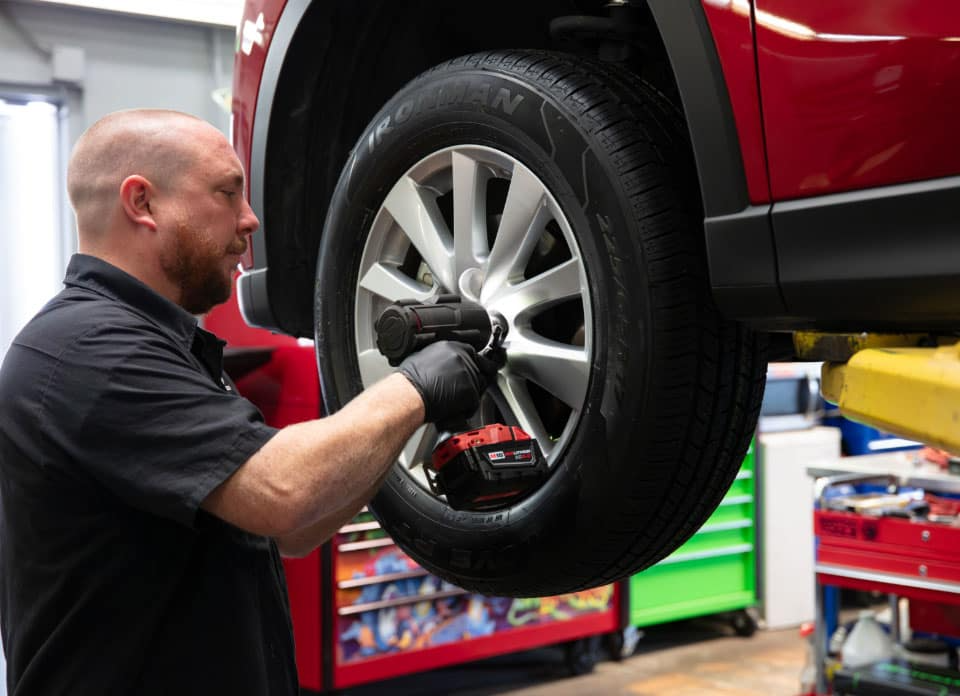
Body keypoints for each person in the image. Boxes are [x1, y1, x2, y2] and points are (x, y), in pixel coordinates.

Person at [0, 109, 497, 695]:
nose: (250, 218)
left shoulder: (159, 343)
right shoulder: (92, 349)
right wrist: (415, 387)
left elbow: (295, 531)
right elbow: (282, 495)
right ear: (142, 203)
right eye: (227, 192)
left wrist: (401, 426)